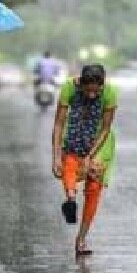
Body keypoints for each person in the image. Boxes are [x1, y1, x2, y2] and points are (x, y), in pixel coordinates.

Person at [51, 64, 117, 256]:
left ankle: (81, 238)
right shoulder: (69, 88)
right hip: (74, 135)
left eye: (96, 91)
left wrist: (90, 156)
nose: (91, 95)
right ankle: (70, 200)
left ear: (102, 86)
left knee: (94, 188)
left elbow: (105, 128)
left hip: (99, 142)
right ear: (80, 84)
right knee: (68, 164)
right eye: (87, 90)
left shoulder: (110, 93)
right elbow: (59, 123)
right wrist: (55, 156)